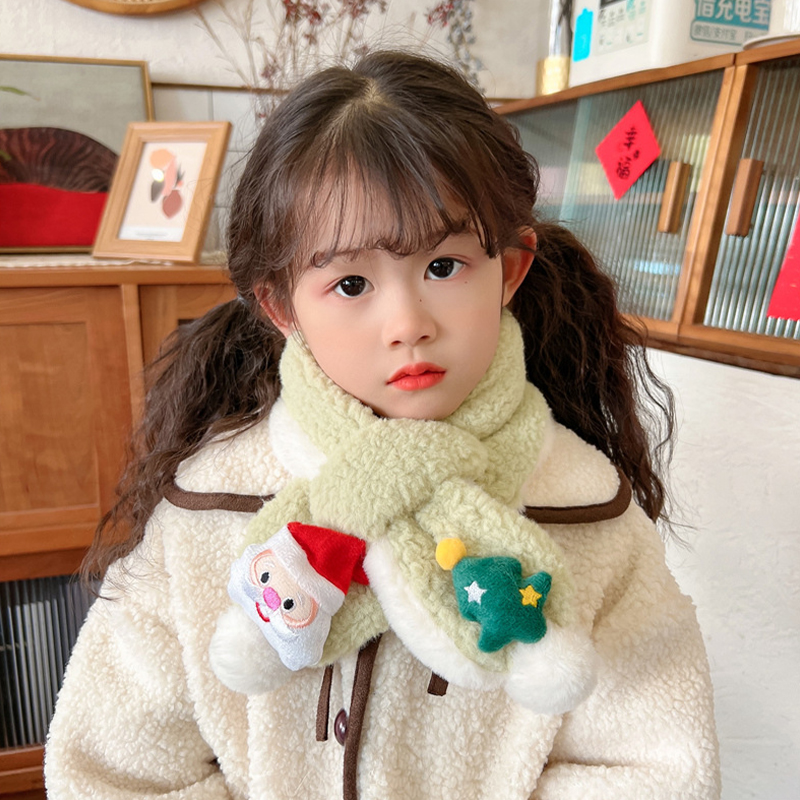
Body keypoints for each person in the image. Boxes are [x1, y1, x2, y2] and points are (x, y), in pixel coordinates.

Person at [45, 50, 720, 800]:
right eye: (351, 283)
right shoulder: (207, 508)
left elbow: (660, 771)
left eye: (444, 267)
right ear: (281, 307)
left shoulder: (589, 511)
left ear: (510, 269)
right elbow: (109, 772)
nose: (407, 323)